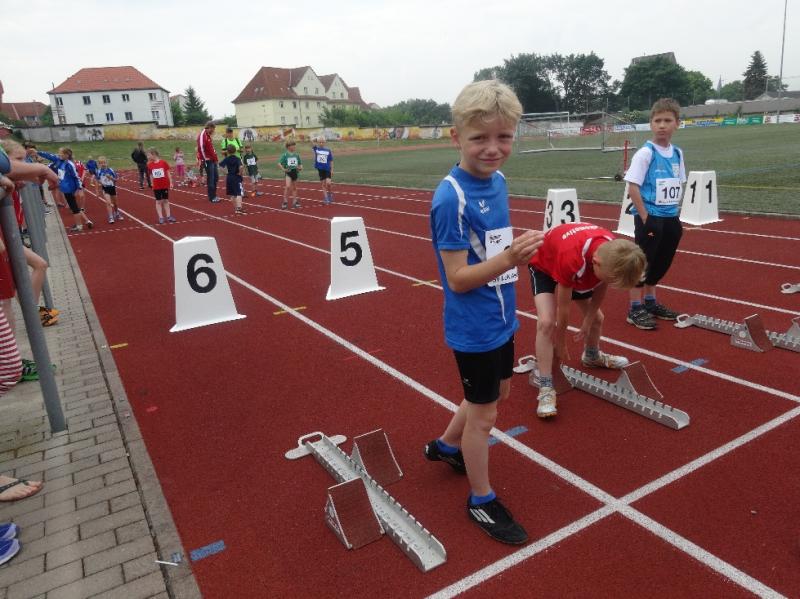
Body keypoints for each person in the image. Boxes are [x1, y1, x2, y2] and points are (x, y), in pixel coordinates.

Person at [425, 80, 544, 545]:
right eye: (480, 138)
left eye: (504, 137)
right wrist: (511, 257)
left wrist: (515, 255)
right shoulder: (450, 198)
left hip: (502, 314)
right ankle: (480, 499)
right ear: (456, 137)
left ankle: (447, 445)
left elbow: (493, 250)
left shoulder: (498, 182)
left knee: (497, 393)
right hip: (474, 326)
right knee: (485, 415)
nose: (493, 148)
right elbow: (457, 277)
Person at [527, 223, 646, 418]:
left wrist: (588, 320)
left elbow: (602, 285)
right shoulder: (572, 259)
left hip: (581, 265)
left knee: (597, 318)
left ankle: (592, 356)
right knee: (546, 322)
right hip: (544, 265)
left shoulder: (613, 253)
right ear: (596, 263)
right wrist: (560, 342)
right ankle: (546, 386)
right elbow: (563, 308)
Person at [624, 98, 686, 330]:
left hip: (670, 217)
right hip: (650, 217)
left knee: (662, 261)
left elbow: (679, 183)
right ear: (651, 123)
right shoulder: (645, 153)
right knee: (642, 261)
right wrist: (645, 217)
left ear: (677, 124)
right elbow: (632, 187)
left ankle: (650, 302)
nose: (662, 125)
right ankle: (635, 308)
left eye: (667, 120)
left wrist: (676, 214)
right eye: (657, 120)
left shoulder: (677, 153)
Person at [36, 147, 93, 233]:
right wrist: (37, 152)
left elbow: (76, 177)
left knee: (74, 207)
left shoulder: (70, 164)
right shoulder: (60, 160)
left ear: (67, 155)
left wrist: (79, 188)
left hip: (70, 188)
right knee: (73, 207)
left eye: (61, 153)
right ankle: (83, 222)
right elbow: (49, 156)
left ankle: (79, 226)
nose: (59, 154)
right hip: (65, 188)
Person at [146, 148, 176, 224]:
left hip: (164, 185)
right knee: (158, 201)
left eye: (149, 155)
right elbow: (151, 175)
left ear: (154, 154)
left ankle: (169, 216)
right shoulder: (149, 165)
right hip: (156, 186)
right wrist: (152, 184)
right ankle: (161, 217)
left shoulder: (163, 163)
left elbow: (168, 173)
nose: (148, 157)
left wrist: (171, 182)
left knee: (166, 200)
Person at [197, 121, 220, 203]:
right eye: (213, 129)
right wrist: (205, 158)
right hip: (208, 160)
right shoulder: (202, 135)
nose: (213, 131)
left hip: (213, 160)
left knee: (216, 177)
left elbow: (211, 148)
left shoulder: (208, 135)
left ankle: (214, 194)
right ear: (209, 127)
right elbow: (201, 147)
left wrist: (216, 158)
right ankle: (212, 197)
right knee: (211, 178)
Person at [219, 146, 246, 215]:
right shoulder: (237, 159)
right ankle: (239, 208)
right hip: (236, 177)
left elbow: (220, 166)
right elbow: (241, 167)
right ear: (235, 151)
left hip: (229, 177)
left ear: (227, 152)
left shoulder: (226, 159)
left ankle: (236, 208)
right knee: (239, 193)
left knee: (232, 194)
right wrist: (240, 173)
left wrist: (225, 173)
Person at [96, 157, 122, 223]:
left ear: (106, 163)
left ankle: (116, 213)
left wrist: (110, 177)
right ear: (99, 164)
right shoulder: (98, 171)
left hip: (112, 188)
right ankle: (110, 217)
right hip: (105, 188)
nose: (103, 164)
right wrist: (97, 191)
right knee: (108, 202)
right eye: (101, 163)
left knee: (115, 203)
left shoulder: (111, 170)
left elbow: (116, 180)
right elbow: (97, 180)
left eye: (104, 162)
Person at [278, 140, 302, 209]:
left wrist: (300, 168)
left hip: (295, 172)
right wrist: (284, 169)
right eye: (293, 146)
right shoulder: (285, 155)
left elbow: (300, 164)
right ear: (288, 147)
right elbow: (279, 163)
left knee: (294, 188)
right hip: (288, 173)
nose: (294, 147)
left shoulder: (296, 155)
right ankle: (285, 201)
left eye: (294, 146)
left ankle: (295, 202)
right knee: (288, 186)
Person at [312, 137, 334, 204]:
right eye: (320, 142)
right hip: (320, 169)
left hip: (327, 168)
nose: (321, 143)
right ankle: (326, 198)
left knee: (328, 183)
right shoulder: (316, 149)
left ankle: (330, 194)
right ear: (318, 143)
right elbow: (312, 141)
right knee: (323, 184)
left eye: (322, 142)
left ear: (325, 143)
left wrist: (332, 170)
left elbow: (331, 160)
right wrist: (316, 139)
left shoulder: (328, 150)